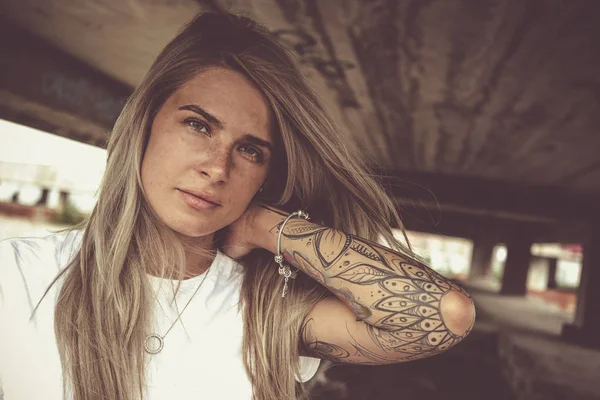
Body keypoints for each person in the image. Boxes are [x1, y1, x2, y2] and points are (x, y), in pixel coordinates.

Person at [0, 11, 475, 400]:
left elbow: (443, 314)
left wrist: (264, 225)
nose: (218, 167)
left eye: (251, 150)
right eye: (198, 126)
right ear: (145, 124)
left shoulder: (267, 308)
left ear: (267, 174)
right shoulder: (19, 277)